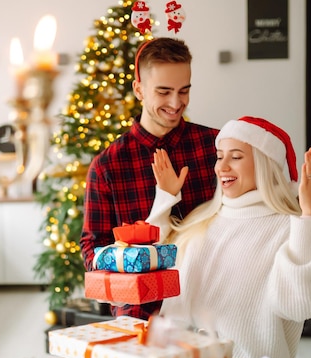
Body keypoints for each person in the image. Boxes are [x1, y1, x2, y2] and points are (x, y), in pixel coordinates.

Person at [146, 116, 311, 358]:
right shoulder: (201, 219)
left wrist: (308, 216)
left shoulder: (289, 228)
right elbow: (147, 264)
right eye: (219, 156)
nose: (221, 167)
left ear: (265, 164)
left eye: (235, 157)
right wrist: (165, 199)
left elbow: (299, 306)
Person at [80, 37, 220, 320]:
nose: (175, 102)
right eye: (164, 91)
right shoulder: (108, 166)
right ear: (139, 89)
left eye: (184, 91)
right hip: (141, 312)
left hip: (212, 300)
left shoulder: (215, 146)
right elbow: (92, 252)